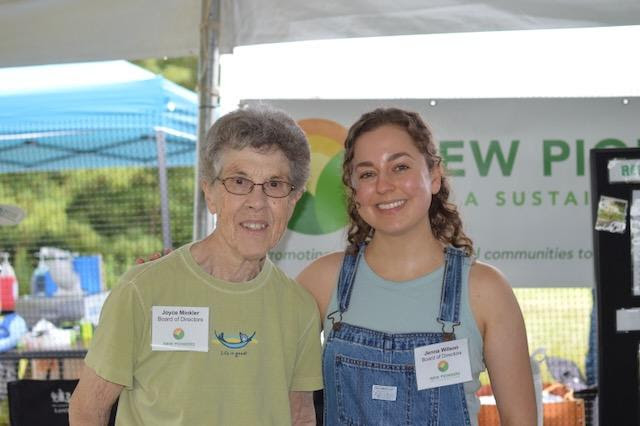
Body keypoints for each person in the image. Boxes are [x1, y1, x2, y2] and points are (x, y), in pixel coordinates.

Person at [69, 107, 323, 425]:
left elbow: (300, 415)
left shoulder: (298, 307)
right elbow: (87, 409)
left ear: (293, 201)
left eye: (274, 184)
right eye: (239, 181)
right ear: (210, 194)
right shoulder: (144, 290)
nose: (257, 202)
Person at [297, 107, 536, 425]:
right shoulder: (321, 282)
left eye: (400, 167)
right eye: (368, 173)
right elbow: (283, 401)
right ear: (354, 192)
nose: (384, 186)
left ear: (434, 176)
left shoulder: (485, 291)